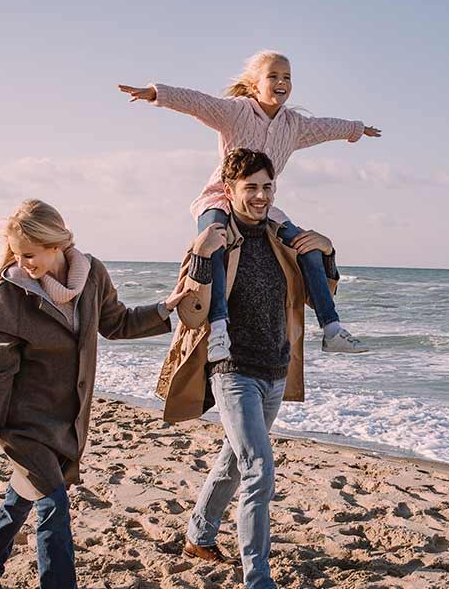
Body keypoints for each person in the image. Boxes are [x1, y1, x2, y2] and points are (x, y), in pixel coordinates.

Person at [0, 199, 198, 589]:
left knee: (25, 494)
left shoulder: (91, 276)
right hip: (22, 422)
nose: (24, 264)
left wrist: (164, 308)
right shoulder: (10, 294)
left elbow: (116, 323)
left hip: (68, 419)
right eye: (18, 255)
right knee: (53, 504)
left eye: (30, 255)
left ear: (56, 243)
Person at [119, 49, 379, 362]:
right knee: (213, 240)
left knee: (309, 247)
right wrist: (156, 93)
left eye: (287, 77)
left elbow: (325, 127)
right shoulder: (236, 112)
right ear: (255, 85)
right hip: (220, 196)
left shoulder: (294, 125)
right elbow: (198, 103)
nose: (281, 81)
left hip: (263, 205)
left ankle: (332, 329)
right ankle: (218, 328)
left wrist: (354, 130)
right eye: (273, 76)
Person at [156, 149, 341, 589]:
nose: (260, 196)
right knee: (259, 466)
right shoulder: (216, 237)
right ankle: (258, 578)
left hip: (276, 369)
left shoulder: (282, 237)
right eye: (250, 187)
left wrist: (327, 253)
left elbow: (315, 296)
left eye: (267, 187)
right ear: (230, 190)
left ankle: (198, 535)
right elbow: (193, 312)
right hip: (232, 369)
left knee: (234, 462)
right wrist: (201, 257)